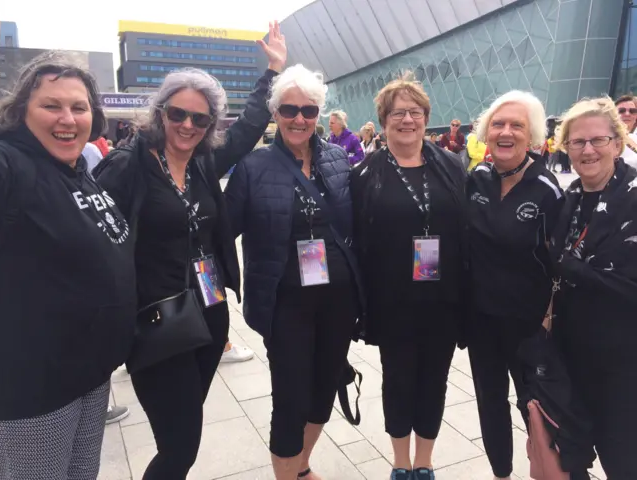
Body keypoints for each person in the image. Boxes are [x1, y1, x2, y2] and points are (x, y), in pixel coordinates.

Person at [94, 21, 286, 479]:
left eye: (200, 119)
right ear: (160, 113)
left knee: (182, 434)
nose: (187, 125)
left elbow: (250, 127)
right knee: (181, 445)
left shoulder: (202, 161)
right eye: (178, 114)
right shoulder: (127, 168)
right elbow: (91, 243)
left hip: (208, 315)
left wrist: (273, 70)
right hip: (157, 323)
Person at [0, 53, 135, 479]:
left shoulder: (75, 169)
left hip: (90, 375)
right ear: (22, 112)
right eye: (51, 105)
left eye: (79, 107)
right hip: (36, 391)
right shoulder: (13, 165)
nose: (68, 118)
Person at [224, 64, 361, 480]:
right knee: (290, 399)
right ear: (275, 113)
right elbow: (222, 231)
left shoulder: (337, 159)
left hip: (337, 301)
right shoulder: (253, 167)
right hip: (285, 304)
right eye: (289, 109)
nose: (299, 118)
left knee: (324, 390)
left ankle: (300, 468)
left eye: (308, 110)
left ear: (319, 113)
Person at [351, 74, 467, 480]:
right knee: (398, 380)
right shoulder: (366, 174)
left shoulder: (452, 167)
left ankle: (425, 462)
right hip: (392, 299)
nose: (407, 120)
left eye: (415, 112)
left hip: (443, 299)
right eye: (398, 113)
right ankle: (401, 463)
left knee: (435, 380)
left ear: (426, 119)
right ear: (383, 121)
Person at [466, 90, 564, 480]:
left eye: (517, 126)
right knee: (490, 402)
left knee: (536, 408)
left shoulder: (548, 189)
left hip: (529, 325)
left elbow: (562, 264)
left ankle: (548, 472)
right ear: (486, 133)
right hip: (481, 320)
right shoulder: (476, 179)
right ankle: (501, 474)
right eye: (498, 124)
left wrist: (551, 320)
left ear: (533, 136)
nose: (506, 132)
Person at [550, 97, 637, 479]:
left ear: (617, 143)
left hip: (623, 362)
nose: (587, 150)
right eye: (577, 142)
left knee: (623, 458)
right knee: (573, 455)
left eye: (597, 140)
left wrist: (574, 270)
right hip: (573, 355)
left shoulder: (632, 197)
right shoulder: (569, 199)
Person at [615, 94, 637, 169]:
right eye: (621, 111)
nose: (627, 114)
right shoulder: (608, 139)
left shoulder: (634, 138)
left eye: (632, 111)